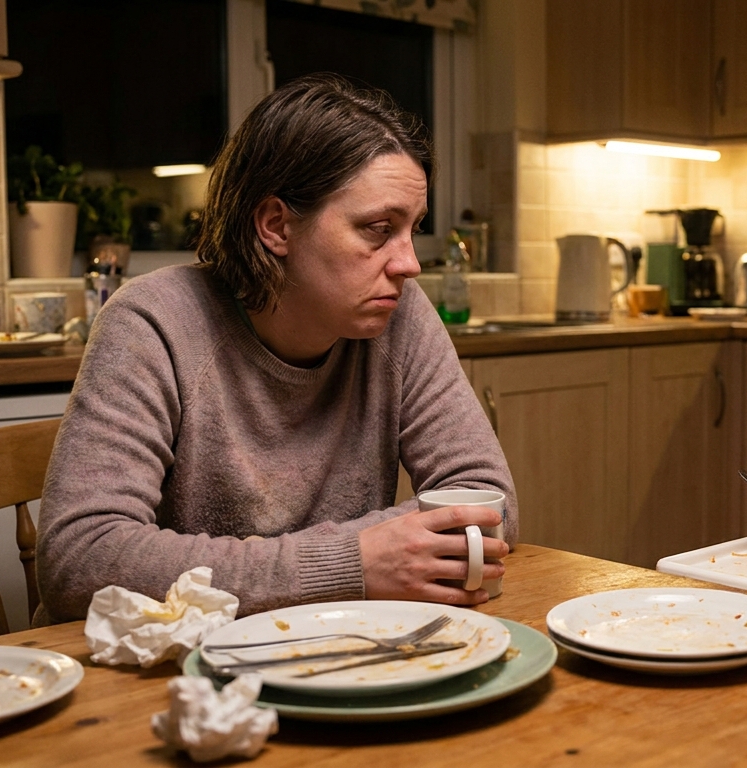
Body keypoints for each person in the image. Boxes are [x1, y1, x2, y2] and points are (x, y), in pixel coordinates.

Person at [36, 74, 516, 622]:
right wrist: (351, 563)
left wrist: (359, 562)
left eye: (412, 229)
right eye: (378, 229)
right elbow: (80, 559)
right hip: (169, 664)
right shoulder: (152, 323)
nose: (408, 264)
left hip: (326, 645)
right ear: (276, 226)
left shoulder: (400, 314)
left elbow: (486, 498)